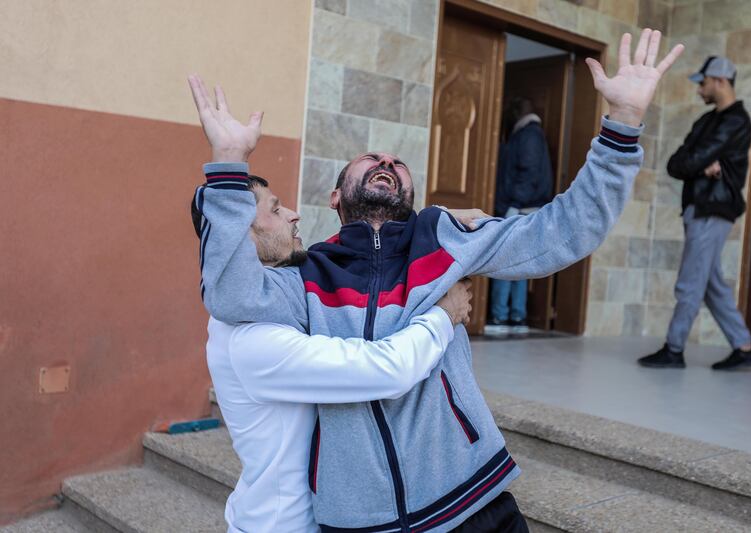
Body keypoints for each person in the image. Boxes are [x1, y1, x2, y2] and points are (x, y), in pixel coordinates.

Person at [191, 29, 683, 532]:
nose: (386, 162)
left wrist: (622, 123)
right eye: (370, 160)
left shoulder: (444, 237)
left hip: (471, 501)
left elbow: (565, 231)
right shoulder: (309, 276)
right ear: (335, 198)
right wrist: (229, 166)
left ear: (411, 194)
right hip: (363, 520)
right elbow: (231, 293)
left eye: (398, 163)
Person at [191, 175, 474, 532]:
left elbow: (346, 257)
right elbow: (386, 370)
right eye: (276, 210)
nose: (294, 215)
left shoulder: (282, 301)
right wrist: (443, 316)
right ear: (240, 234)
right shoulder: (251, 341)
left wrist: (432, 224)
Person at [638, 56, 751, 371]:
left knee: (690, 281)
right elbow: (676, 163)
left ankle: (674, 349)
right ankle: (744, 346)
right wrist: (697, 166)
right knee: (710, 283)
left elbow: (689, 161)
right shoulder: (707, 121)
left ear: (720, 80)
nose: (699, 90)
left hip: (713, 208)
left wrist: (695, 164)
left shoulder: (736, 121)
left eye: (702, 83)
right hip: (700, 206)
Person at [487, 97, 554, 335]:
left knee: (504, 262)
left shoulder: (529, 136)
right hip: (527, 209)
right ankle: (516, 317)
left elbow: (528, 173)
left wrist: (512, 204)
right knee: (518, 263)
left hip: (520, 209)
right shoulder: (530, 134)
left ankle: (500, 316)